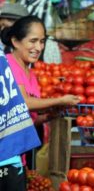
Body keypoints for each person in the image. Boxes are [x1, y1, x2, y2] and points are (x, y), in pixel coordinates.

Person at [0, 15, 80, 168]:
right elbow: (23, 102)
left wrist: (48, 116)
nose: (38, 48)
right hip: (5, 155)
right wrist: (60, 100)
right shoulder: (8, 65)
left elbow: (27, 119)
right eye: (33, 41)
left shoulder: (30, 74)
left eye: (42, 41)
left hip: (18, 155)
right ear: (15, 41)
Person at [0, 46, 40, 191]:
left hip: (10, 154)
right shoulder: (8, 62)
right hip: (10, 151)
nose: (39, 47)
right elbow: (22, 104)